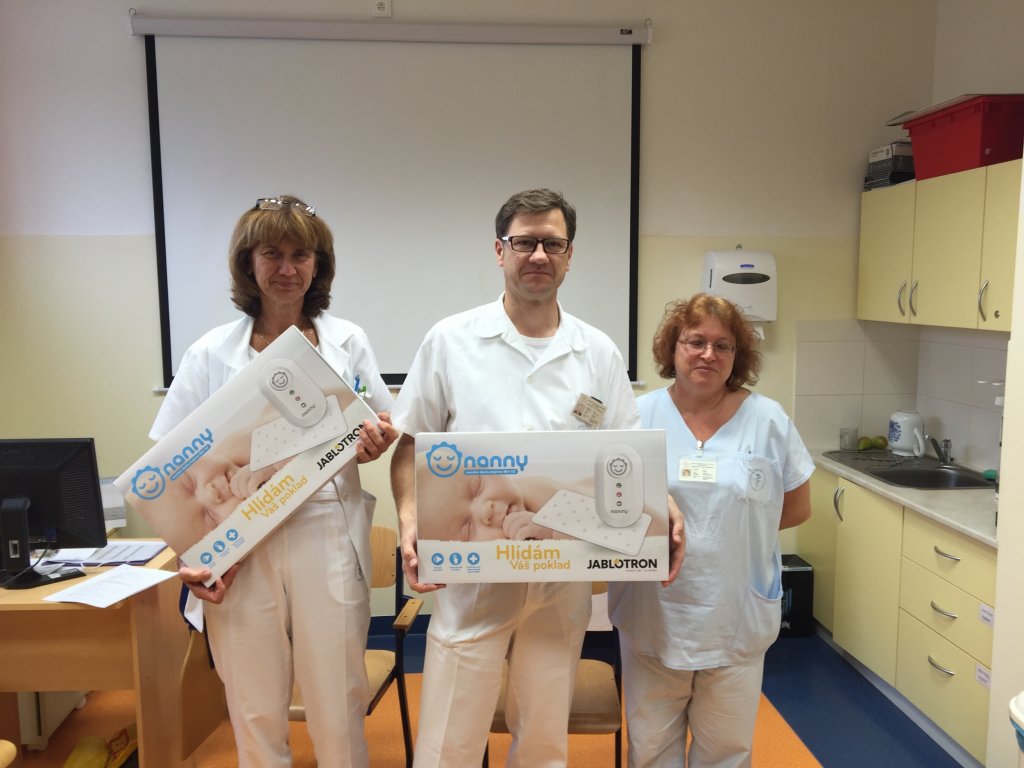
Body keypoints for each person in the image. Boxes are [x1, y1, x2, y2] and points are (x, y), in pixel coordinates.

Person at [389, 188, 684, 767]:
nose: (539, 256)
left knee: (546, 734)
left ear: (570, 255)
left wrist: (664, 506)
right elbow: (408, 445)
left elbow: (628, 459)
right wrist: (408, 518)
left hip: (561, 572)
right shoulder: (450, 340)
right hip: (472, 574)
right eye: (525, 243)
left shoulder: (597, 351)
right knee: (450, 736)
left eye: (553, 244)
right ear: (500, 251)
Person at [149, 195, 398, 768]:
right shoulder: (210, 352)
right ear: (248, 263)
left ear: (318, 264)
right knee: (254, 705)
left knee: (338, 702)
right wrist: (194, 553)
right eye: (272, 254)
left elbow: (378, 422)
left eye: (300, 255)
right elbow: (167, 465)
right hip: (240, 542)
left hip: (325, 532)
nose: (287, 268)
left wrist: (376, 442)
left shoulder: (348, 341)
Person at [608, 293, 814, 768]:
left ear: (737, 356)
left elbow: (797, 507)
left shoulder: (768, 420)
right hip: (653, 612)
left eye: (723, 346)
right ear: (672, 347)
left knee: (726, 752)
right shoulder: (637, 417)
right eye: (695, 341)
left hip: (735, 615)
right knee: (650, 749)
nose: (708, 354)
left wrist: (735, 532)